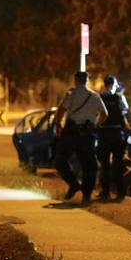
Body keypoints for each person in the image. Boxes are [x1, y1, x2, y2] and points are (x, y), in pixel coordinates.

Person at [54, 71, 108, 206]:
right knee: (88, 165)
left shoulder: (71, 95)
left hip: (71, 132)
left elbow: (61, 111)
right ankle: (86, 196)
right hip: (87, 134)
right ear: (87, 81)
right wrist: (95, 125)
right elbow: (104, 114)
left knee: (60, 160)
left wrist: (58, 126)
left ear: (76, 81)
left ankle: (73, 183)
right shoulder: (94, 96)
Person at [97, 75, 130, 201]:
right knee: (118, 164)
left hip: (103, 134)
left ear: (105, 84)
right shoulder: (119, 97)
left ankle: (105, 192)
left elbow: (97, 114)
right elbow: (124, 112)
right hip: (117, 134)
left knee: (104, 164)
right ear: (114, 84)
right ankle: (120, 193)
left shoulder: (99, 97)